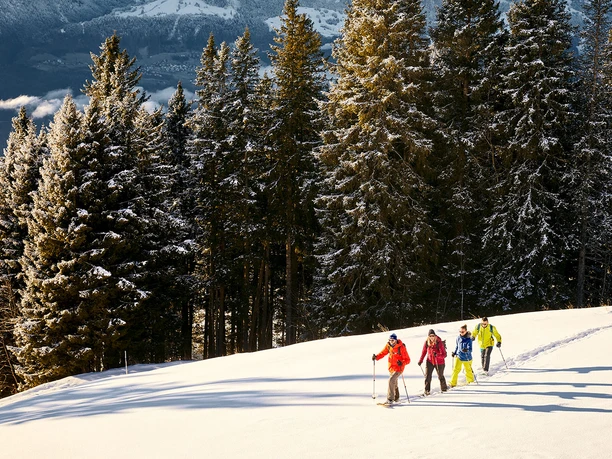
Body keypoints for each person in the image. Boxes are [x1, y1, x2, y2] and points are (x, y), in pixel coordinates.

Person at [372, 333, 411, 404]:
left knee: (391, 380)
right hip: (391, 368)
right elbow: (383, 353)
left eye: (392, 340)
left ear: (396, 340)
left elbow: (408, 360)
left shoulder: (401, 347)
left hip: (399, 368)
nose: (391, 342)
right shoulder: (388, 346)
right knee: (394, 383)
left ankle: (390, 399)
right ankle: (396, 397)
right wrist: (376, 357)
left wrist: (402, 362)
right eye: (390, 340)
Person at [417, 329, 448, 395]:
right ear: (428, 336)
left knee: (440, 375)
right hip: (430, 361)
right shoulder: (426, 342)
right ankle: (427, 390)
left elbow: (444, 354)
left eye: (433, 335)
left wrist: (437, 355)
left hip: (439, 362)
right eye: (430, 336)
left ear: (435, 335)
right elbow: (424, 352)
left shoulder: (439, 342)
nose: (432, 337)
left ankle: (444, 388)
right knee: (427, 376)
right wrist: (420, 360)